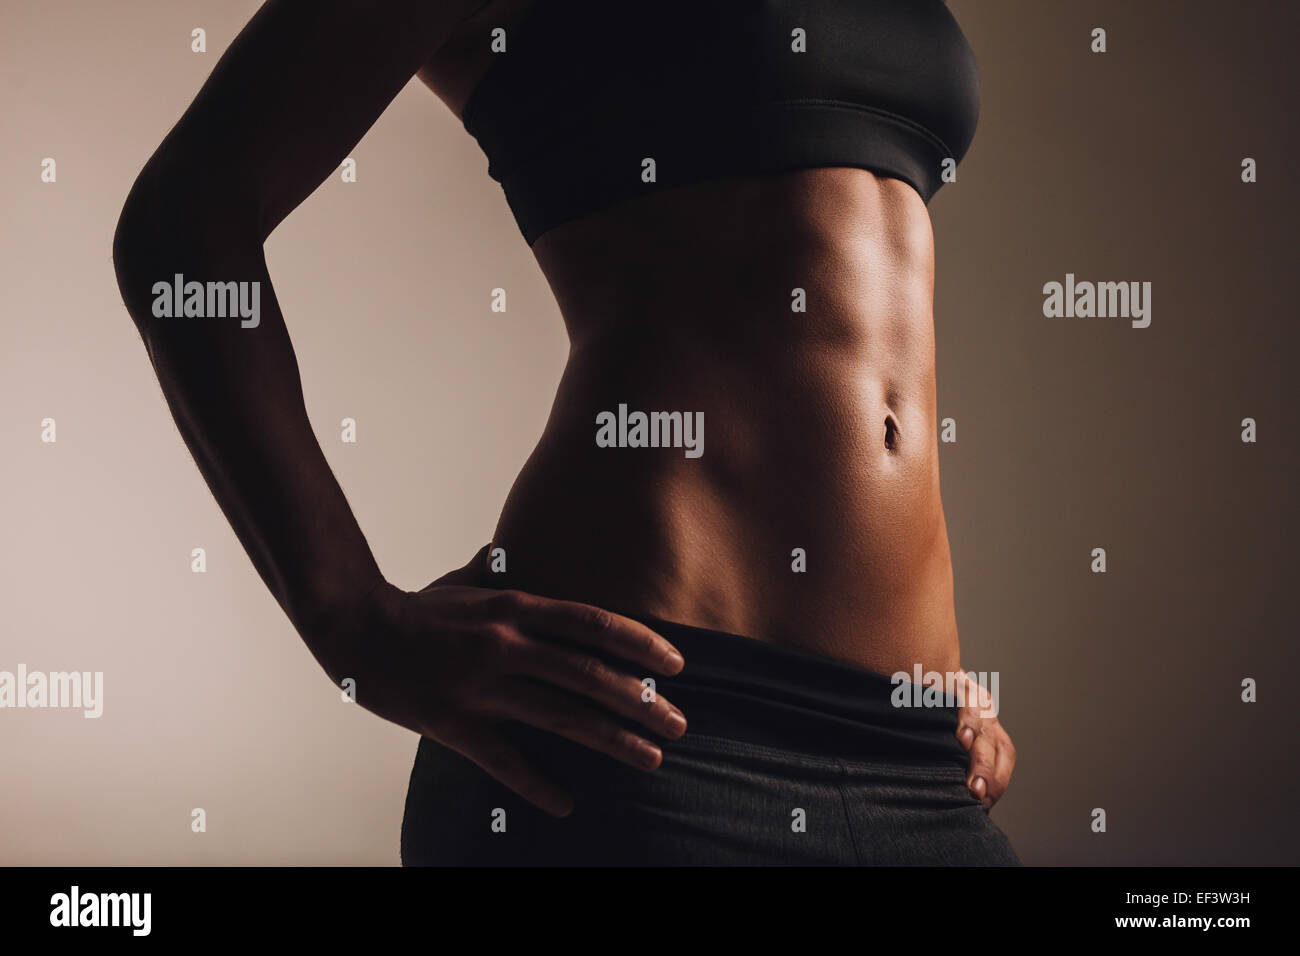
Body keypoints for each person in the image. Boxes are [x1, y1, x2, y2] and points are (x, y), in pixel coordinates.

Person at [113, 0, 1018, 865]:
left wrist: (916, 670)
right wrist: (353, 622)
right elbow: (182, 223)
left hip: (917, 751)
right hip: (642, 732)